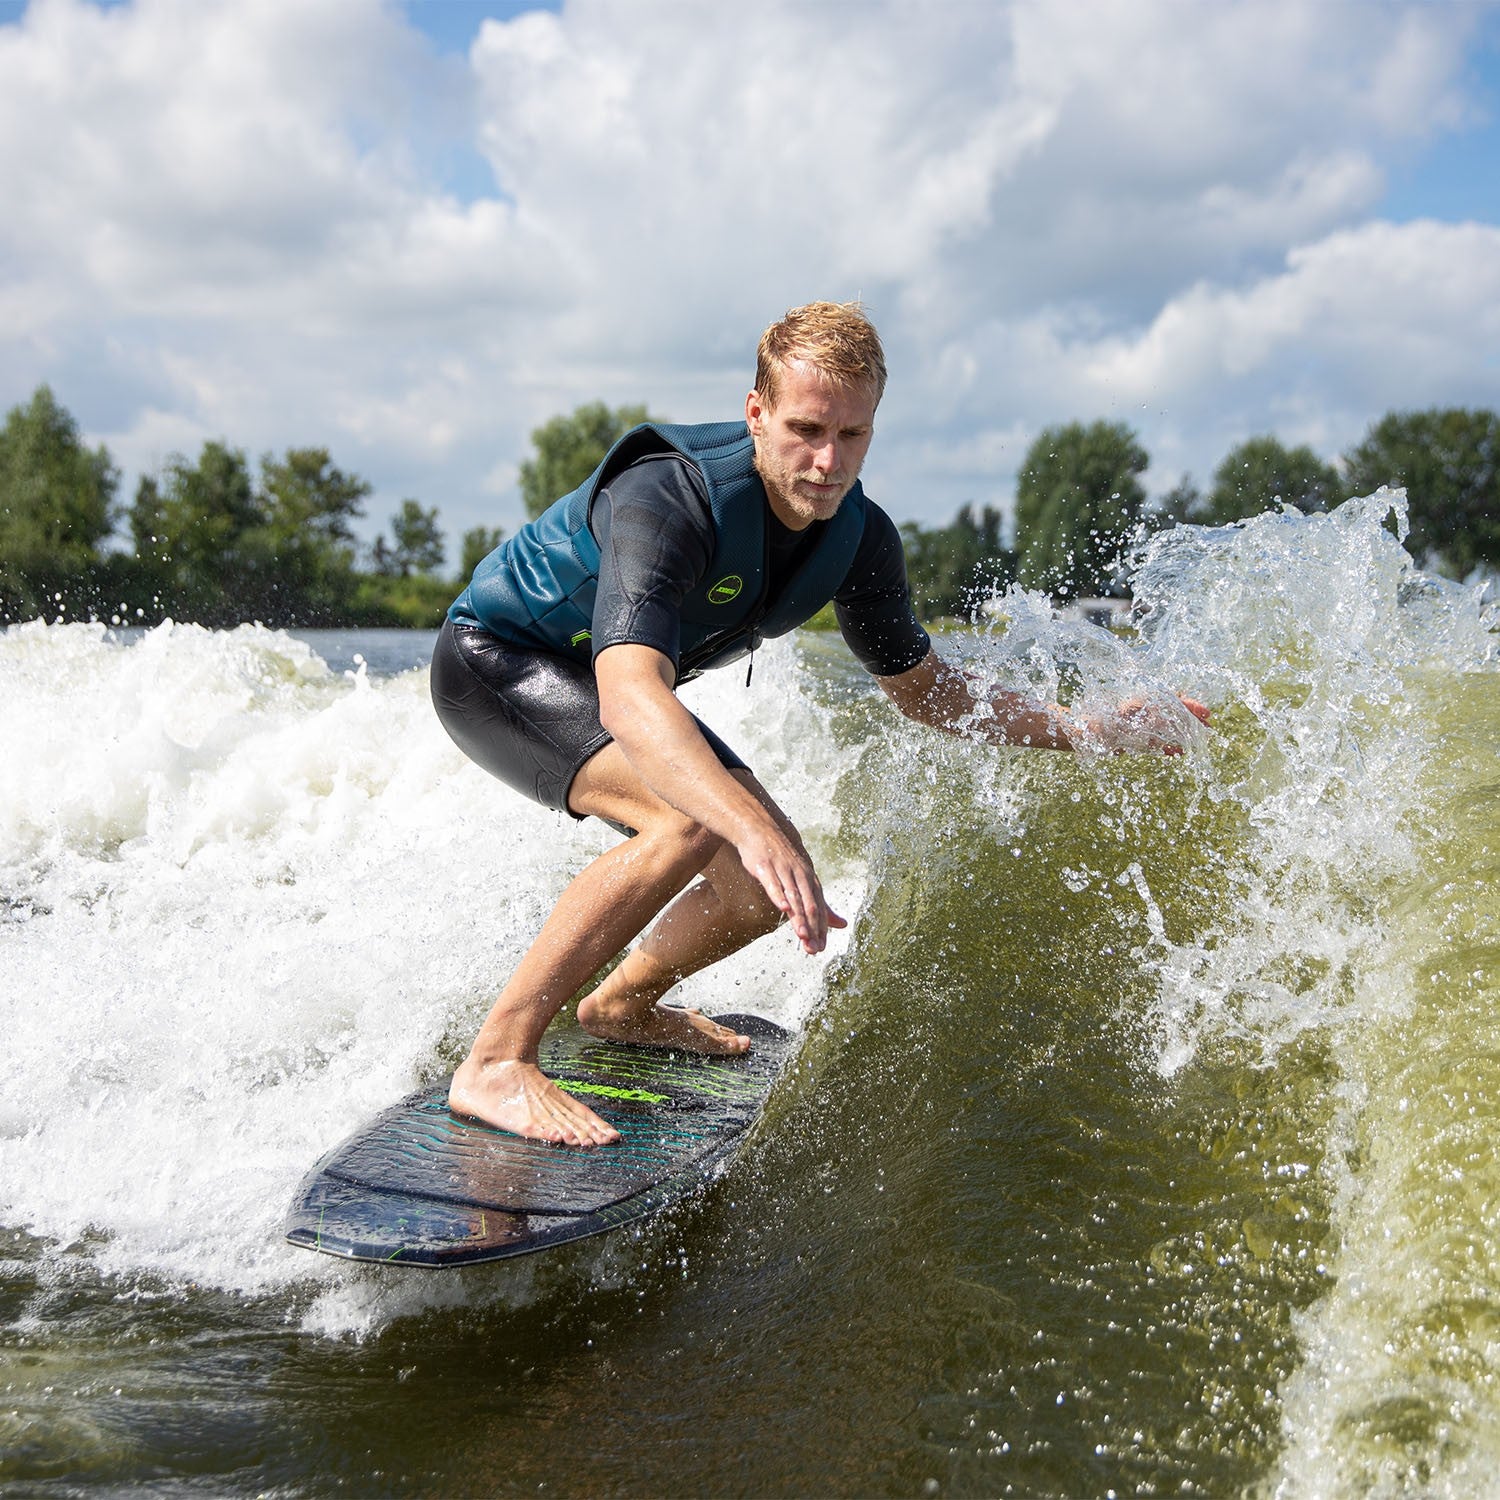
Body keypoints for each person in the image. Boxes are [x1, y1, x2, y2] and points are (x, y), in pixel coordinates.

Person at [431, 301, 1207, 1147]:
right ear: (756, 412)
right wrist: (742, 821)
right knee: (693, 822)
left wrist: (1085, 728)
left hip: (605, 686)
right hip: (497, 663)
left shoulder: (861, 538)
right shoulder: (669, 496)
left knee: (760, 883)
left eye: (853, 435)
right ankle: (497, 1062)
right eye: (805, 428)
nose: (827, 461)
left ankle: (620, 1005)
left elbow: (925, 690)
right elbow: (628, 694)